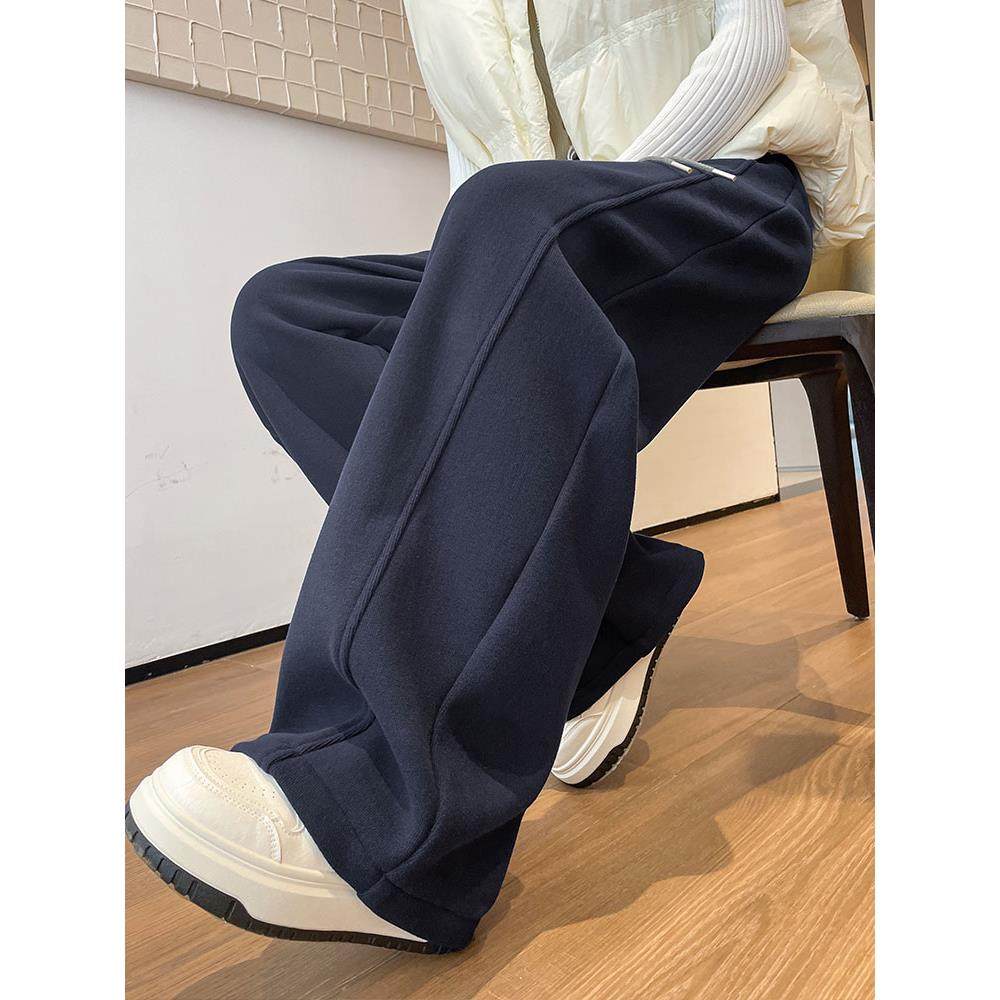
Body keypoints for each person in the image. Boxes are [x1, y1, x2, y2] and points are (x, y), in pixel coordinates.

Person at [127, 0, 873, 954]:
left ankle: (386, 816)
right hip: (556, 218)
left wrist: (574, 206)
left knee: (513, 214)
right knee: (288, 312)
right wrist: (480, 273)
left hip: (733, 186)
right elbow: (481, 153)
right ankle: (607, 610)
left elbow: (754, 47)